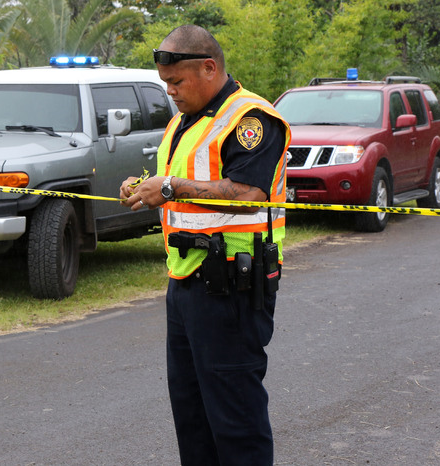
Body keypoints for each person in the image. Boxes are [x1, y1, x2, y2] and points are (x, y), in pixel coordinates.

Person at [120, 24, 290, 466]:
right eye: (166, 84)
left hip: (232, 283)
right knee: (192, 415)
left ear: (209, 68)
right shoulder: (184, 121)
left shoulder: (250, 119)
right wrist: (143, 187)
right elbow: (185, 183)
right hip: (186, 280)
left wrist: (171, 187)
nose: (170, 92)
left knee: (235, 417)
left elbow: (251, 195)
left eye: (176, 82)